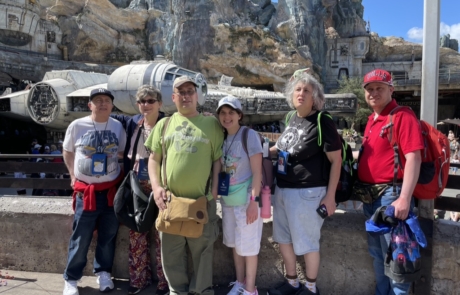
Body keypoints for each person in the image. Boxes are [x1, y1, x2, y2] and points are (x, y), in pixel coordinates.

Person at [145, 76, 224, 295]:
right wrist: (156, 187)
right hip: (170, 202)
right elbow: (153, 159)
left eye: (190, 91)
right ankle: (176, 292)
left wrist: (215, 191)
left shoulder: (212, 124)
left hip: (202, 201)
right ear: (173, 97)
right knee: (171, 254)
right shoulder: (164, 124)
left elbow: (217, 160)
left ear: (197, 96)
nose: (186, 96)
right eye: (181, 92)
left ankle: (201, 292)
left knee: (203, 253)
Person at [267, 72, 342, 295]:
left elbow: (336, 161)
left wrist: (330, 197)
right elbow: (281, 148)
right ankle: (292, 282)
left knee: (308, 243)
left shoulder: (322, 121)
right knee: (283, 240)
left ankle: (310, 287)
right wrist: (253, 148)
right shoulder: (292, 118)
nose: (301, 94)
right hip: (282, 189)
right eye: (298, 90)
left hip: (307, 192)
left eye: (306, 91)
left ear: (314, 97)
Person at [353, 69, 423, 295]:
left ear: (391, 90)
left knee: (397, 260)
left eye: (379, 88)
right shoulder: (372, 120)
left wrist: (404, 198)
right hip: (371, 198)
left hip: (391, 198)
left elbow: (414, 156)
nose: (373, 93)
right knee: (377, 255)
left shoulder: (402, 116)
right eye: (369, 89)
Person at [62, 88, 127, 295]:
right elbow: (68, 150)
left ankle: (104, 273)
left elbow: (123, 152)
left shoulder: (117, 127)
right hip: (86, 193)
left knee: (108, 236)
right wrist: (72, 175)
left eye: (106, 100)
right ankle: (71, 278)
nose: (102, 103)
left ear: (112, 105)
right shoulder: (77, 125)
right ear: (90, 105)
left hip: (110, 192)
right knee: (80, 237)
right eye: (97, 100)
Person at [111, 85, 168, 295]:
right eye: (142, 101)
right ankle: (138, 280)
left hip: (160, 185)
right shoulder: (134, 122)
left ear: (160, 104)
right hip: (138, 185)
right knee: (137, 234)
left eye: (150, 101)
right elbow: (109, 114)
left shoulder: (168, 124)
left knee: (162, 235)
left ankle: (165, 282)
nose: (146, 105)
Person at [216, 96, 263, 295]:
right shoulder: (222, 137)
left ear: (239, 115)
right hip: (228, 200)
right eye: (223, 113)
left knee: (250, 247)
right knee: (235, 244)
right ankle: (239, 282)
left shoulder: (249, 135)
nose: (227, 117)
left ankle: (251, 289)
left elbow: (257, 172)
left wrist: (254, 201)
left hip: (245, 200)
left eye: (231, 112)